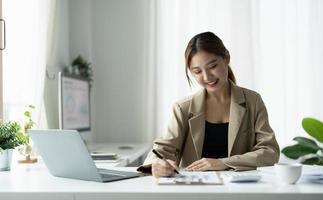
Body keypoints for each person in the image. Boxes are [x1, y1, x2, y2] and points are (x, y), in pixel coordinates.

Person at [138, 32, 280, 177]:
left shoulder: (253, 101)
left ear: (226, 58)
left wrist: (223, 162)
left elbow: (270, 152)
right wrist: (157, 164)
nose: (206, 77)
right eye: (197, 71)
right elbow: (161, 150)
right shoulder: (183, 108)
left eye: (212, 66)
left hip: (239, 189)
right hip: (194, 190)